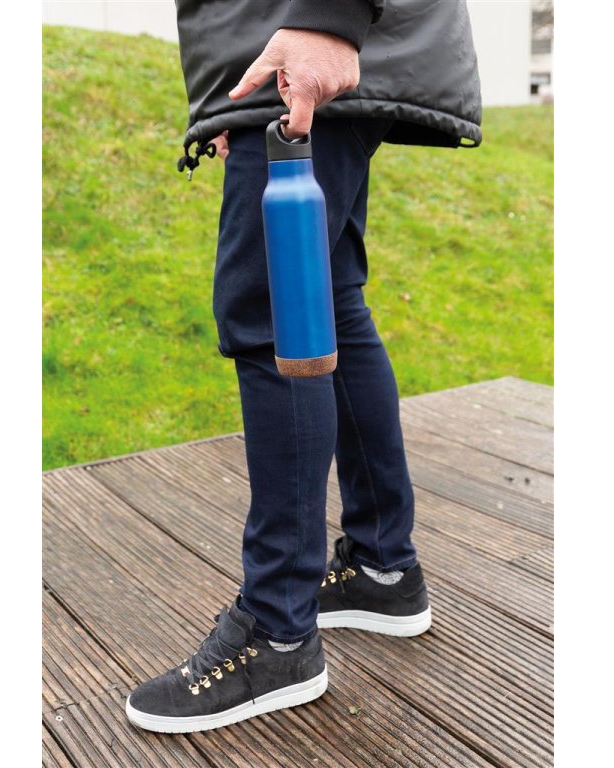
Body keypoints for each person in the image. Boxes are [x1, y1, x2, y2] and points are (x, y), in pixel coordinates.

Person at [126, 0, 482, 733]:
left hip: (314, 28)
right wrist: (232, 92)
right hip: (298, 38)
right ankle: (381, 568)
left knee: (272, 312)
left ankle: (278, 630)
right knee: (330, 300)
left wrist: (330, 16)